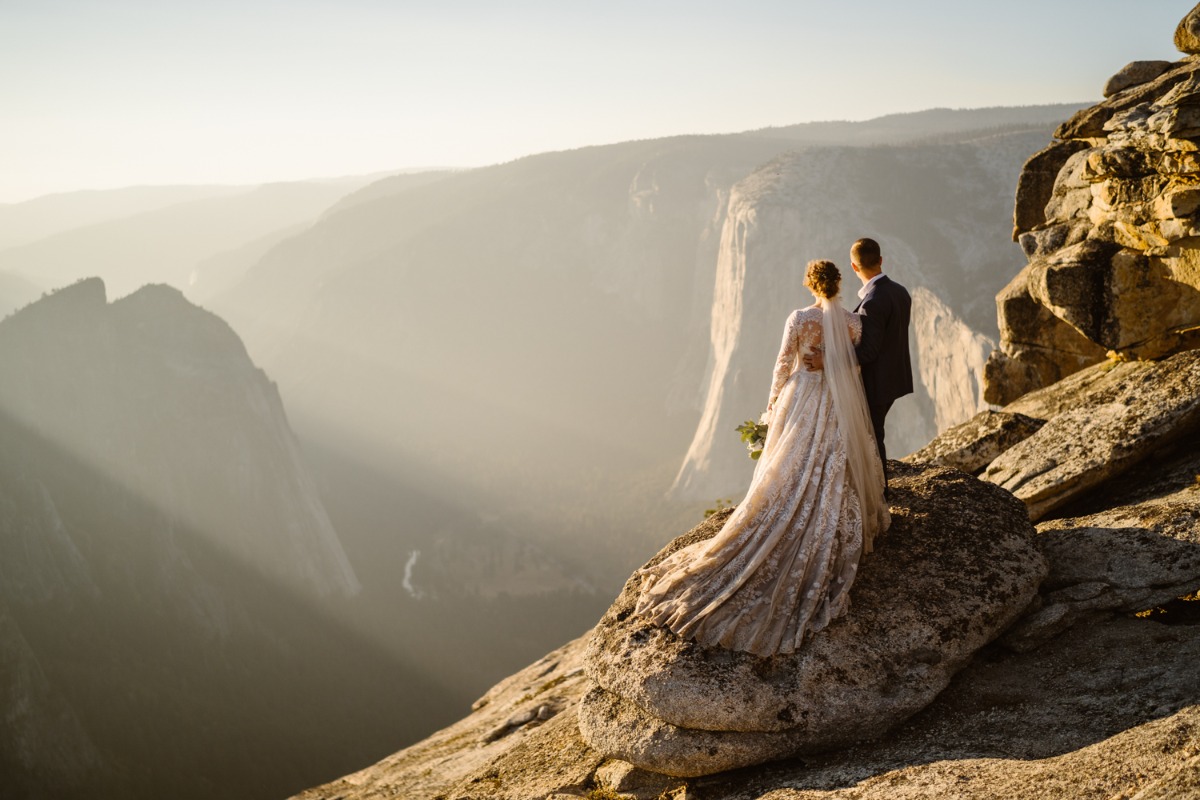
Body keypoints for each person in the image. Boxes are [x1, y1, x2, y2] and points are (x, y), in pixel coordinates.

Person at [633, 260, 889, 657]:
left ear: (810, 284)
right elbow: (853, 368)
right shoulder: (853, 323)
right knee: (828, 463)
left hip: (802, 396)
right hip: (836, 402)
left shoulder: (801, 318)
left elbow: (783, 363)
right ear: (839, 284)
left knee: (788, 464)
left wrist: (772, 407)